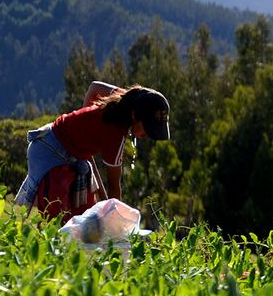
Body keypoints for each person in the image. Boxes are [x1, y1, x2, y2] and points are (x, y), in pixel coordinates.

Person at [15, 82, 170, 220]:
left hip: (74, 158)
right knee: (55, 220)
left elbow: (94, 87)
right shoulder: (116, 134)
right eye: (147, 129)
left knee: (85, 218)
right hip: (49, 149)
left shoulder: (129, 98)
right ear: (135, 115)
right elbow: (114, 187)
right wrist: (117, 223)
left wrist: (83, 131)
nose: (146, 136)